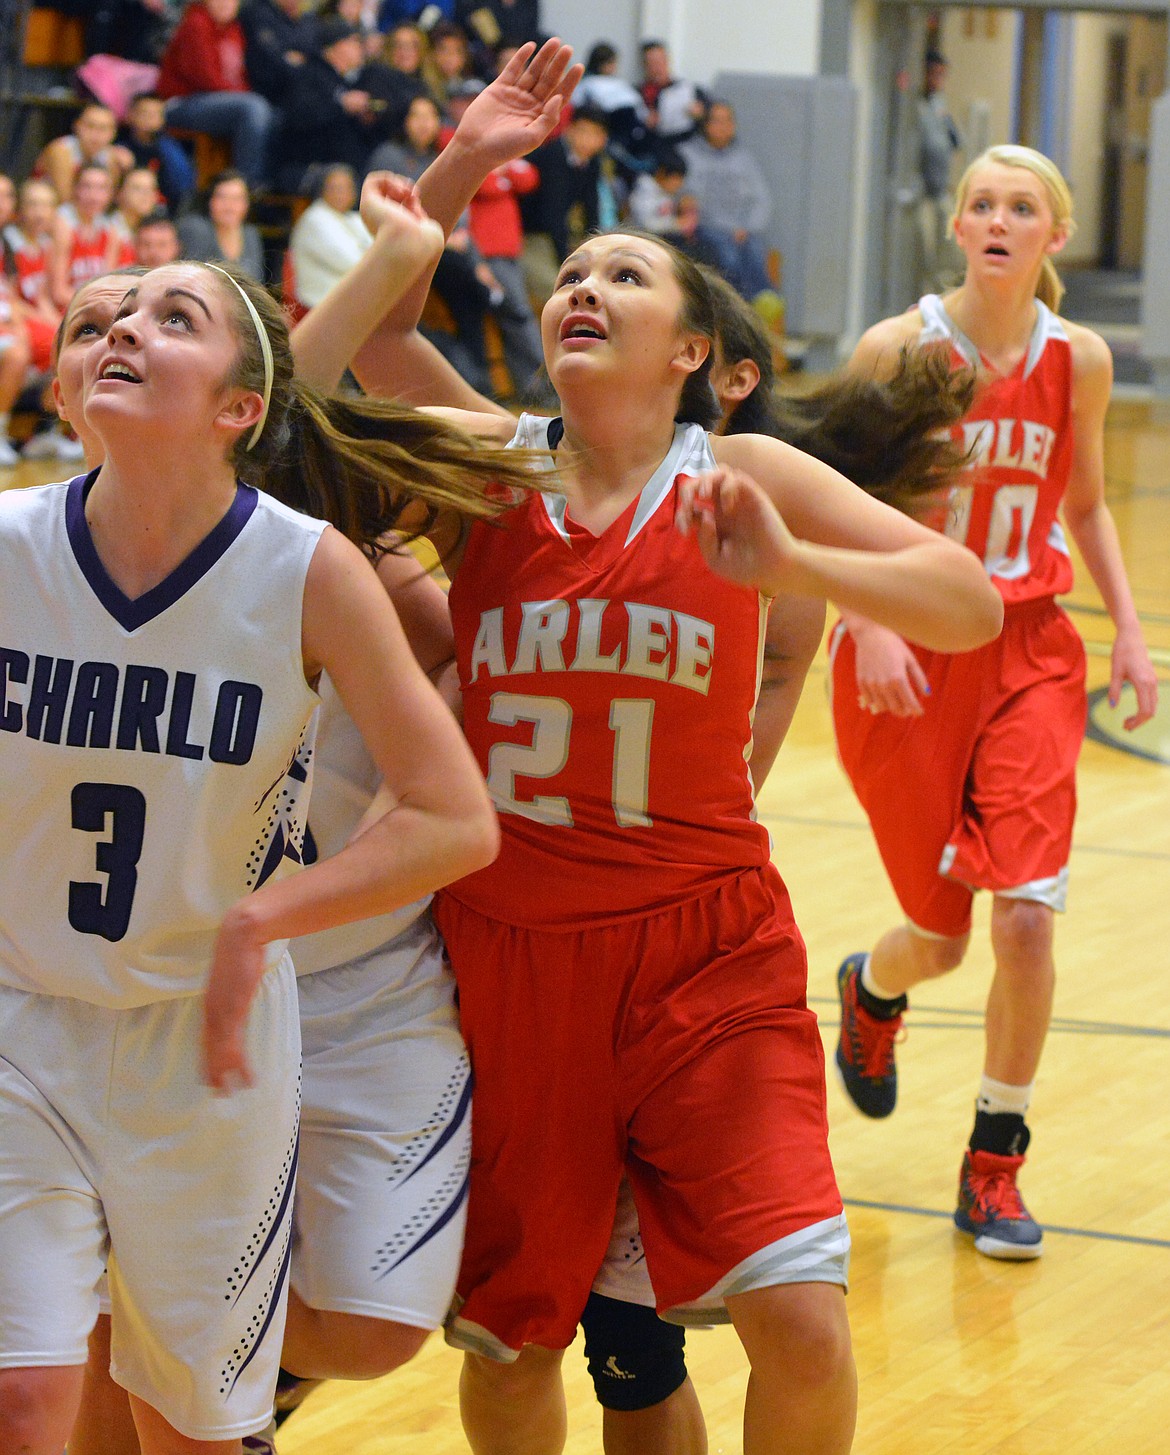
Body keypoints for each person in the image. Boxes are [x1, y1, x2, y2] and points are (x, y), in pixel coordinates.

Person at [328, 135, 1003, 1455]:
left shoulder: (746, 479)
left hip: (708, 952)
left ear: (694, 350)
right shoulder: (491, 464)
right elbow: (369, 339)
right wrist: (463, 164)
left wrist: (796, 553)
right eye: (569, 271)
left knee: (802, 1324)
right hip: (511, 958)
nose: (581, 284)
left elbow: (967, 601)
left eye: (622, 275)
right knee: (513, 1340)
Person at [0, 250, 512, 1453]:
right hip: (23, 1017)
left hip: (204, 1052)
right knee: (26, 1398)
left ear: (242, 408)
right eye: (111, 317)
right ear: (68, 390)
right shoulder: (10, 545)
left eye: (173, 318)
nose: (126, 328)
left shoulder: (308, 568)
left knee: (192, 1428)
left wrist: (260, 919)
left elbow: (455, 818)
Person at [831, 144, 1159, 1262]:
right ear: (960, 229)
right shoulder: (898, 348)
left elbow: (1090, 504)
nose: (1000, 220)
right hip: (911, 646)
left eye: (1023, 207)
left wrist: (1132, 636)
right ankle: (872, 995)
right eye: (983, 204)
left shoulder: (1082, 357)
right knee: (940, 937)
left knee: (1025, 915)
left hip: (1029, 647)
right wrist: (867, 619)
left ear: (1052, 236)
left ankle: (994, 1166)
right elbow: (836, 504)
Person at [157, 0, 277, 190]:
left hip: (220, 101)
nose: (225, 4)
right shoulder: (196, 23)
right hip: (182, 102)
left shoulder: (235, 29)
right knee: (252, 107)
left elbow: (241, 76)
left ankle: (269, 185)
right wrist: (243, 96)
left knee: (273, 114)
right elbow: (205, 77)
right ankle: (247, 185)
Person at [679, 101, 775, 305]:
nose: (723, 126)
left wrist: (747, 227)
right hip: (706, 227)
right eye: (717, 121)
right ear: (705, 124)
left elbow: (761, 199)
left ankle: (765, 303)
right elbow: (682, 195)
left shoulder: (745, 159)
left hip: (741, 230)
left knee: (755, 252)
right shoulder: (687, 154)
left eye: (728, 121)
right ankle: (737, 308)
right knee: (727, 256)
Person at [288, 163, 372, 310]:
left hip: (349, 306)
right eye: (335, 188)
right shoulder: (315, 219)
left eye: (347, 188)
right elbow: (354, 263)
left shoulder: (354, 218)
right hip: (318, 309)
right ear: (322, 190)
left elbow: (380, 254)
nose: (341, 193)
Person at [917, 48, 963, 295]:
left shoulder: (938, 104)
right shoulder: (913, 105)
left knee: (949, 251)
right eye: (934, 74)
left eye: (942, 75)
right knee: (925, 252)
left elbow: (955, 141)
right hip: (919, 193)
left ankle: (943, 298)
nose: (938, 81)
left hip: (940, 190)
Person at [48, 165, 124, 311]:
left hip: (91, 306)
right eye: (86, 187)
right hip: (64, 309)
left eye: (101, 188)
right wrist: (97, 305)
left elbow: (108, 284)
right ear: (75, 189)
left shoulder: (111, 231)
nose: (93, 196)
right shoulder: (63, 225)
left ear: (111, 194)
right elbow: (58, 292)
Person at [34, 103, 135, 206]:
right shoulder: (60, 150)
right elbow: (64, 199)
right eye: (90, 126)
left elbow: (108, 199)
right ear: (77, 126)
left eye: (103, 128)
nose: (96, 134)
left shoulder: (112, 156)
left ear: (113, 133)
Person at [177, 170, 266, 281]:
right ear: (210, 201)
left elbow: (257, 283)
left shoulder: (251, 234)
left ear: (246, 204)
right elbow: (188, 278)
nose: (229, 206)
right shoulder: (196, 229)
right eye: (222, 197)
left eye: (237, 199)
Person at [117, 92, 197, 215]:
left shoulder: (170, 148)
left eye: (156, 114)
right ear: (130, 115)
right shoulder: (119, 148)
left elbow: (183, 187)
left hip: (163, 212)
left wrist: (164, 145)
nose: (150, 118)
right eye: (145, 113)